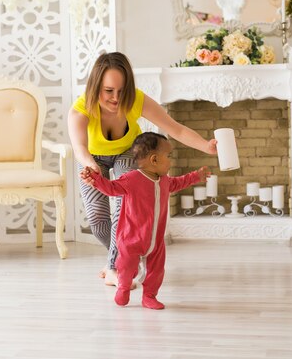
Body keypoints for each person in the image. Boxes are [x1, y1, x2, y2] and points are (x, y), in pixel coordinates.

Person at [67, 52, 217, 286]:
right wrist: (91, 165)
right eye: (108, 91)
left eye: (121, 90)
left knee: (121, 212)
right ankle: (124, 258)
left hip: (128, 153)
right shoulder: (80, 109)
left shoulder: (136, 100)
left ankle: (116, 269)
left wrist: (206, 146)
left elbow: (175, 129)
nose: (116, 98)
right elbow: (79, 148)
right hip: (91, 158)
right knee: (97, 222)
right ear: (96, 86)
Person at [80, 132, 210, 309]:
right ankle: (123, 287)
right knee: (126, 267)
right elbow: (111, 188)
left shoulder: (164, 181)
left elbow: (178, 182)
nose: (171, 161)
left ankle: (149, 296)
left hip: (156, 240)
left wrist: (196, 176)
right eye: (168, 156)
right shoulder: (131, 179)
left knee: (156, 271)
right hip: (131, 239)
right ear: (154, 160)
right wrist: (94, 179)